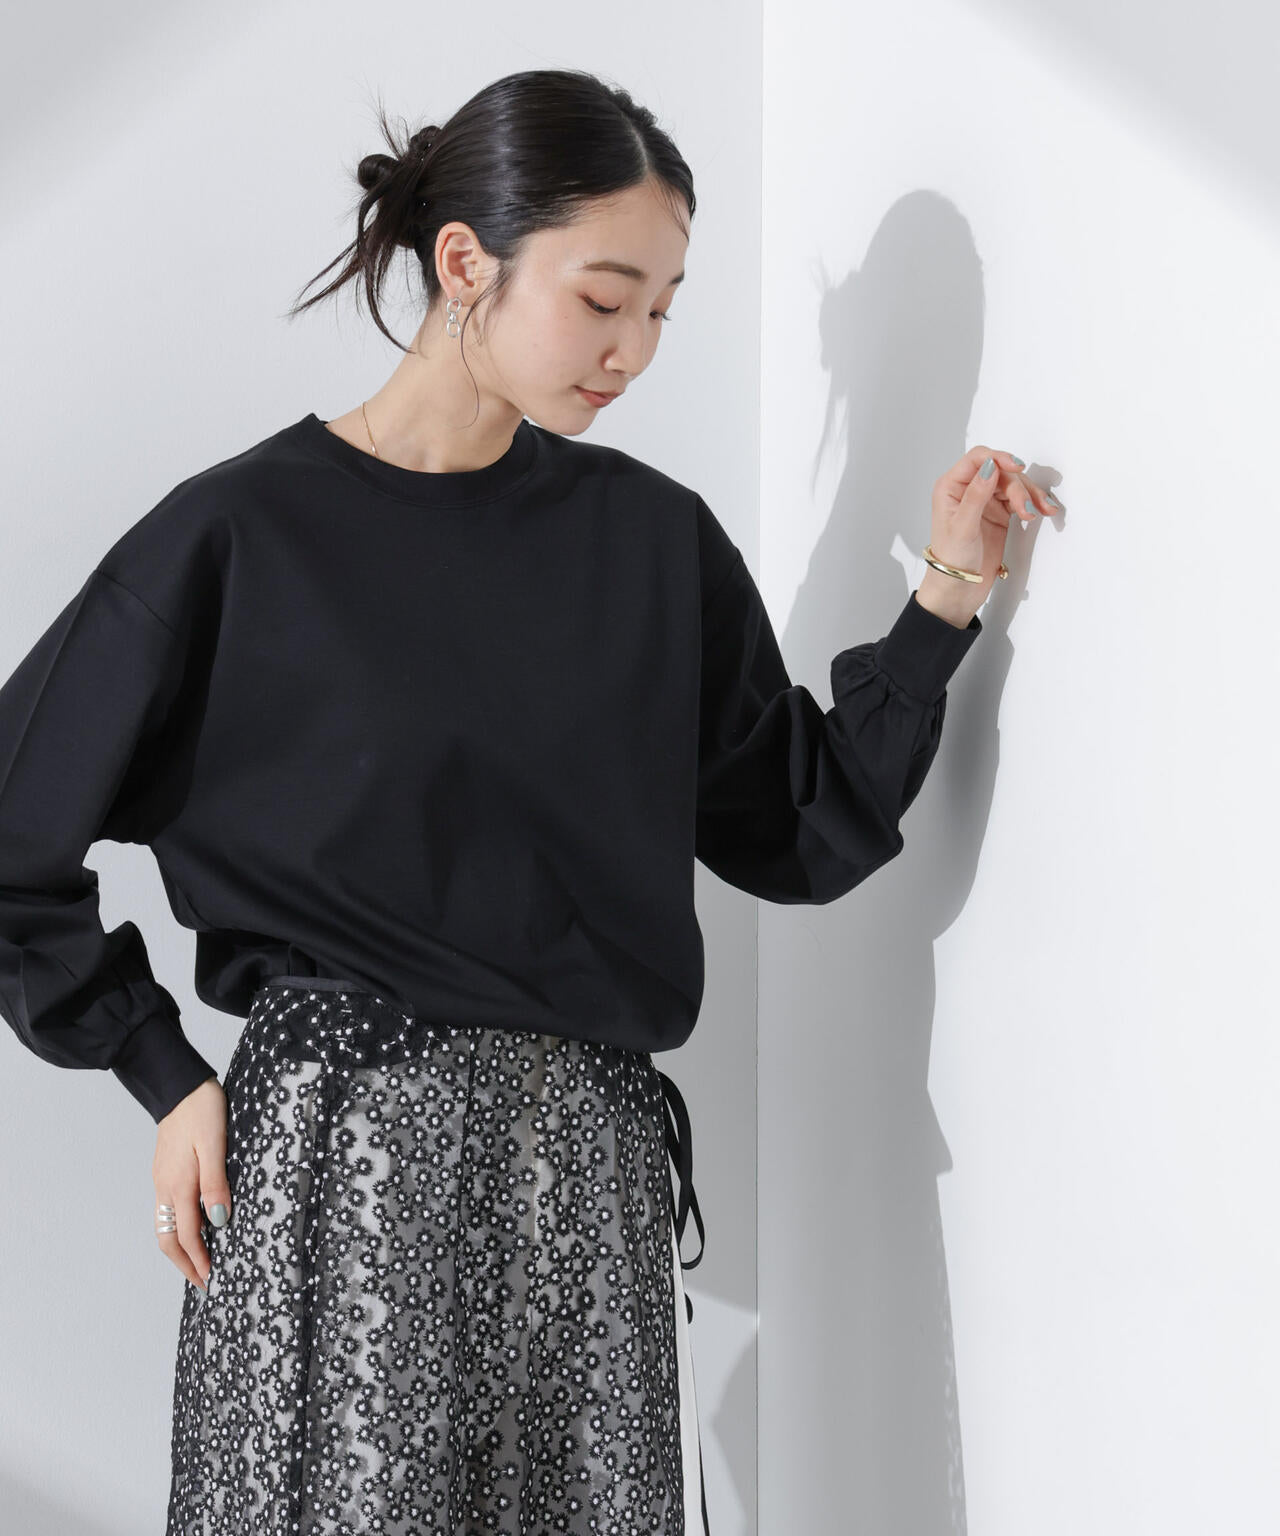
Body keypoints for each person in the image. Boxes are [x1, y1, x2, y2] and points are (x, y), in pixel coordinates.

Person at [0, 66, 1054, 1536]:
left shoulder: (651, 545)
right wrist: (162, 1070)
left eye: (664, 310)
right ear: (464, 262)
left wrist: (944, 597)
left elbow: (799, 823)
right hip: (345, 1172)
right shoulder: (240, 537)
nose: (635, 350)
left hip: (589, 1180)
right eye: (604, 298)